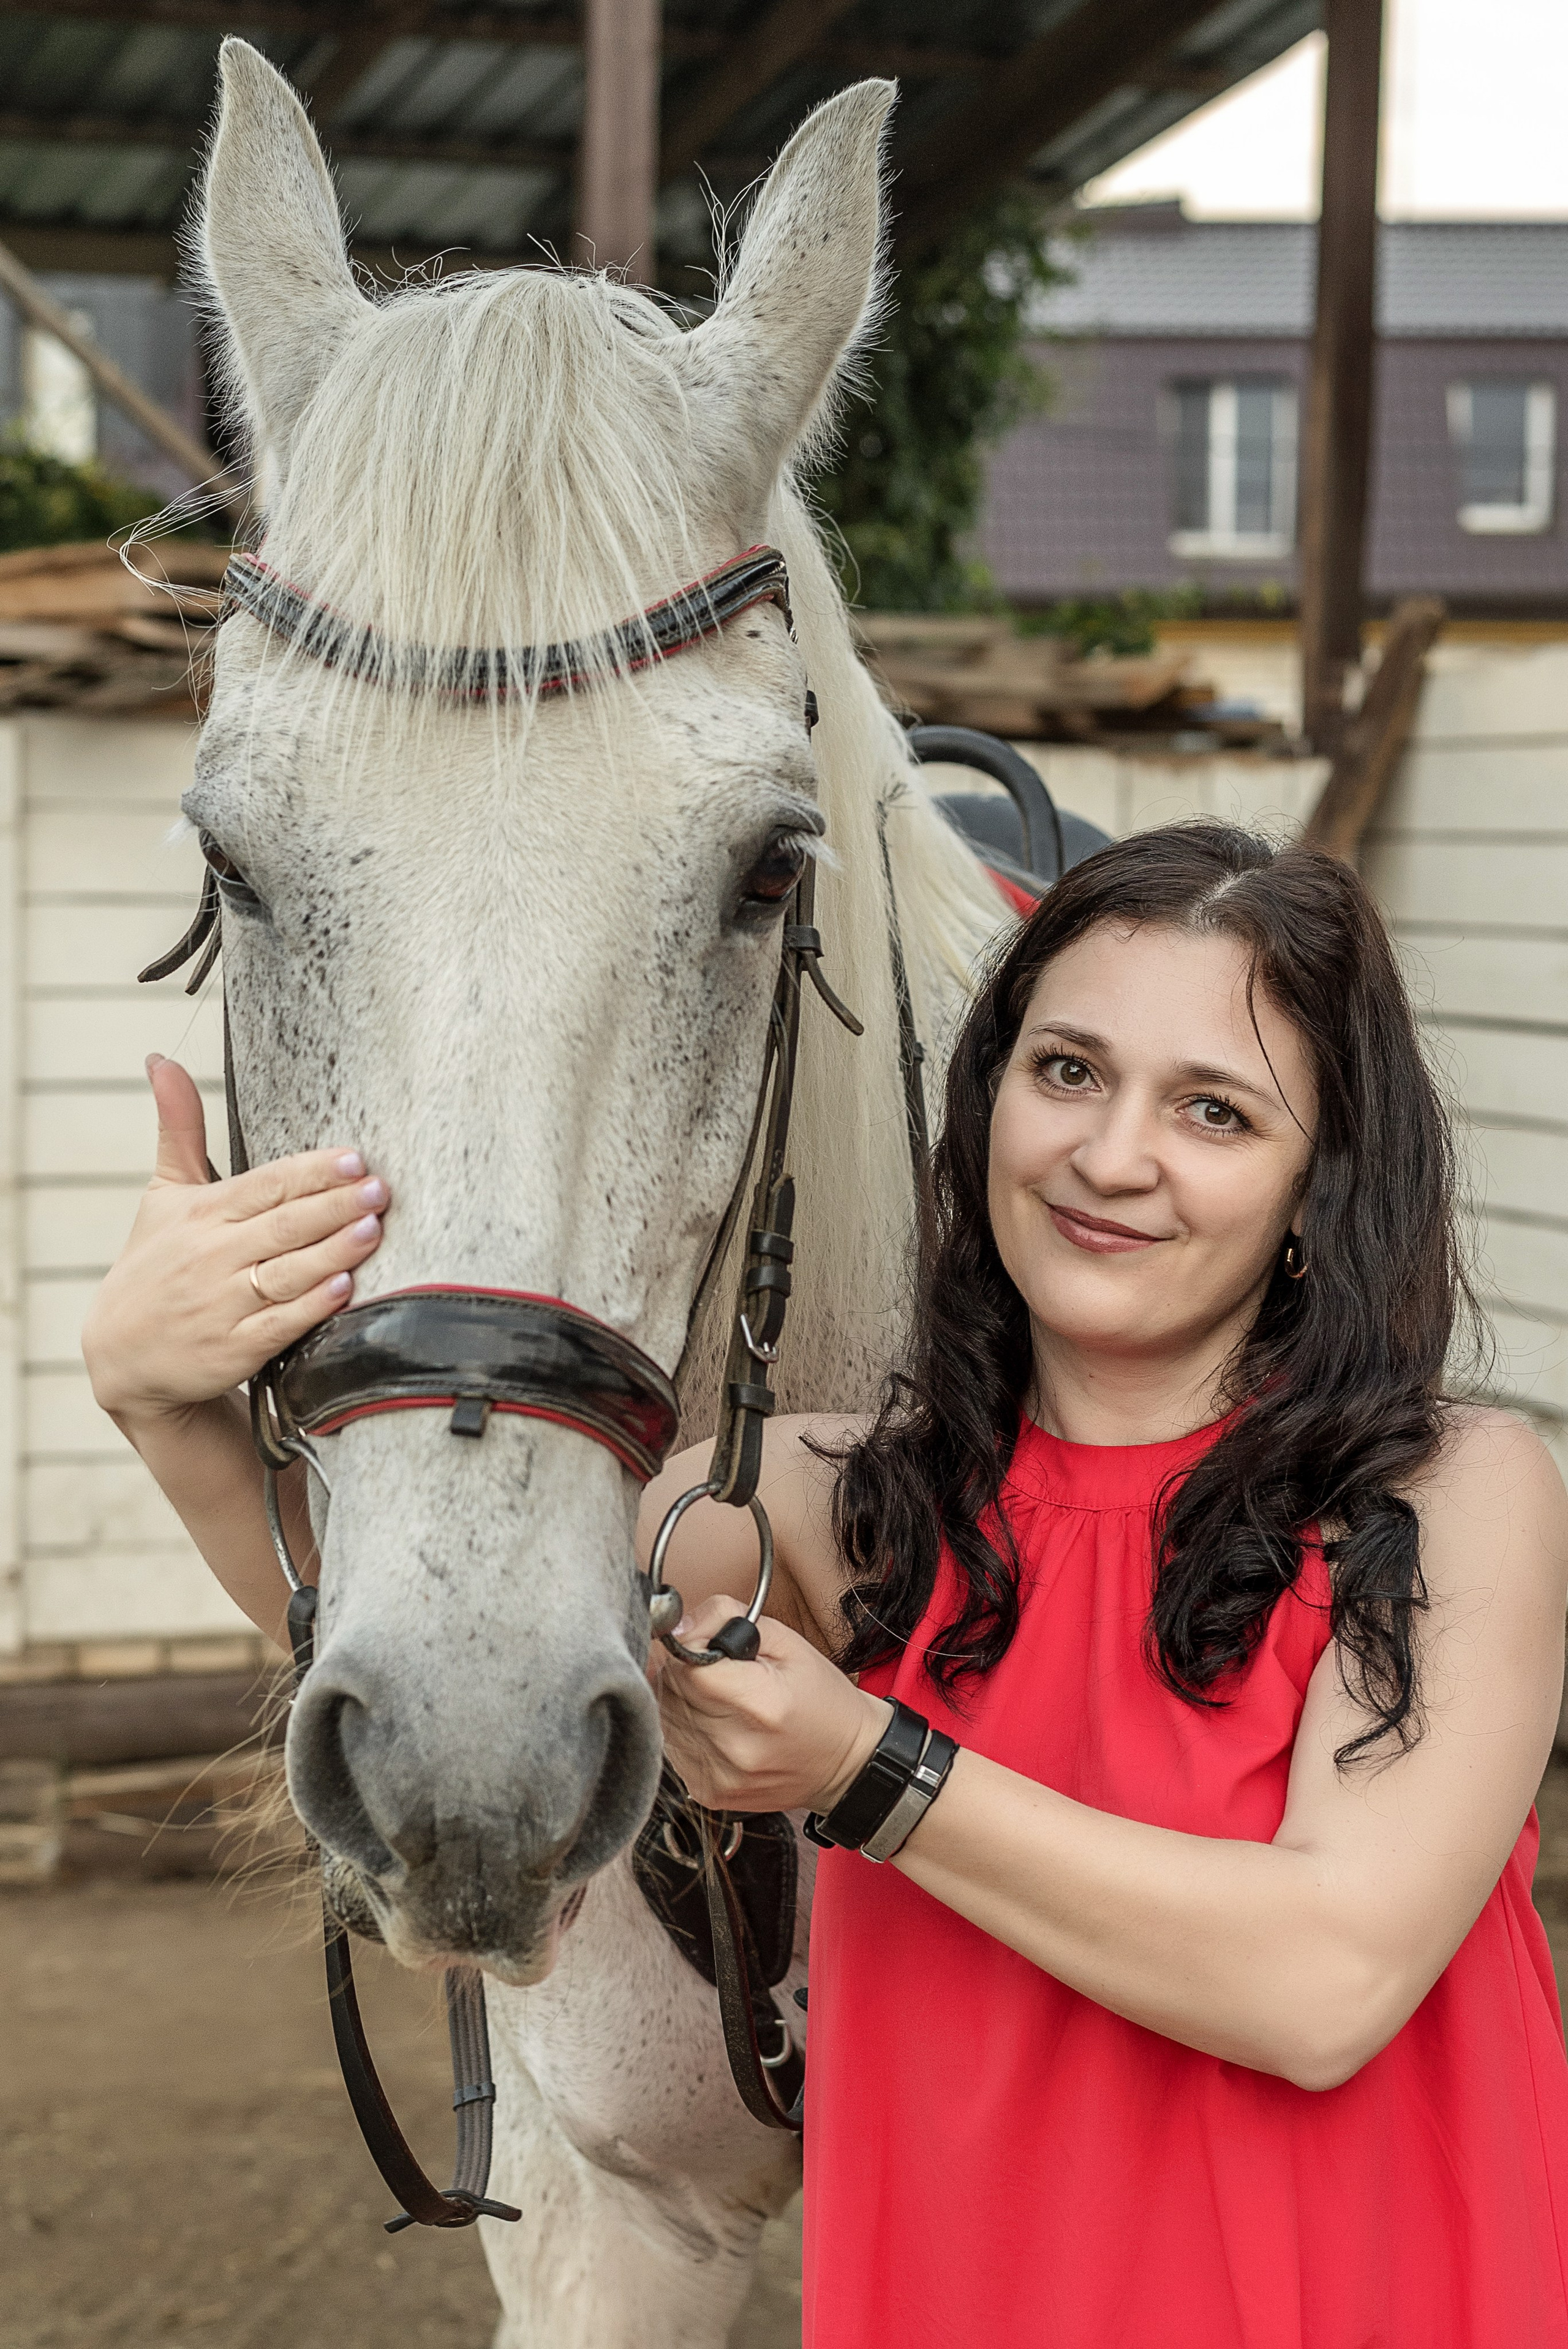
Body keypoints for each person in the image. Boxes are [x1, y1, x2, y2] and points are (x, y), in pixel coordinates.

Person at [86, 822, 1568, 2347]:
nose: (1111, 1156)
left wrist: (870, 1771)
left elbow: (1325, 1984)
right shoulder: (829, 1500)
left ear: (1316, 1189)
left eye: (1210, 1110)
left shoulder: (1445, 1499)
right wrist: (156, 1398)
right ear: (983, 1095)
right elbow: (464, 1654)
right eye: (1065, 1069)